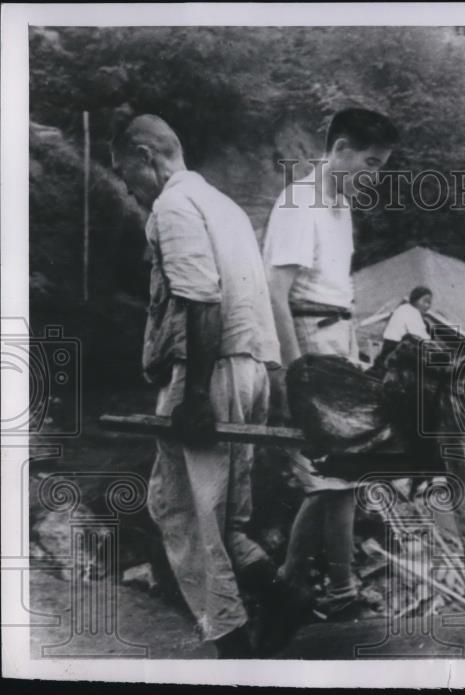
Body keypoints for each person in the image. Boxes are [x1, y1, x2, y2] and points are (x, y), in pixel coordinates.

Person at [111, 115, 289, 658]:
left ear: (146, 155)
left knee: (188, 520)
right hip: (249, 367)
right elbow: (253, 300)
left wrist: (193, 398)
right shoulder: (225, 206)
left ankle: (234, 651)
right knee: (222, 519)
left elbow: (201, 299)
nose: (126, 188)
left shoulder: (173, 206)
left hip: (209, 372)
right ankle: (280, 598)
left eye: (125, 173)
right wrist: (271, 384)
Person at [263, 108, 399, 621]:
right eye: (370, 162)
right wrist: (295, 375)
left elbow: (337, 291)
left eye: (382, 165)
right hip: (308, 341)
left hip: (337, 340)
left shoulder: (338, 205)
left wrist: (357, 353)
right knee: (336, 477)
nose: (375, 175)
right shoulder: (300, 201)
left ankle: (290, 582)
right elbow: (276, 294)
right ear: (339, 149)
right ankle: (336, 593)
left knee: (339, 476)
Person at [373, 286, 433, 371]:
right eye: (424, 301)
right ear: (415, 300)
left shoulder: (403, 308)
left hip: (387, 348)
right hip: (395, 351)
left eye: (429, 303)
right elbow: (422, 336)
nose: (427, 306)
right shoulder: (412, 312)